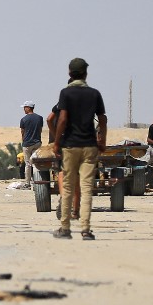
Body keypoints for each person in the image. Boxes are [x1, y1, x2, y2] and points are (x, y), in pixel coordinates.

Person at [52, 57, 106, 240]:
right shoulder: (94, 94)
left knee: (67, 188)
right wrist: (102, 140)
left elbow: (62, 119)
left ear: (69, 73)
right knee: (86, 188)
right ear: (85, 73)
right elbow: (103, 119)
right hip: (89, 146)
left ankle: (65, 228)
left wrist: (57, 142)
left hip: (70, 146)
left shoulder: (65, 94)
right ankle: (85, 229)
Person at [20, 100, 43, 186]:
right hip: (37, 142)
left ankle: (27, 183)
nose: (24, 109)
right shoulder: (39, 118)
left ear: (28, 108)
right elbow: (40, 130)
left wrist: (24, 141)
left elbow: (22, 132)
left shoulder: (23, 119)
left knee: (28, 164)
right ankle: (37, 181)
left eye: (25, 108)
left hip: (27, 144)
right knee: (36, 163)